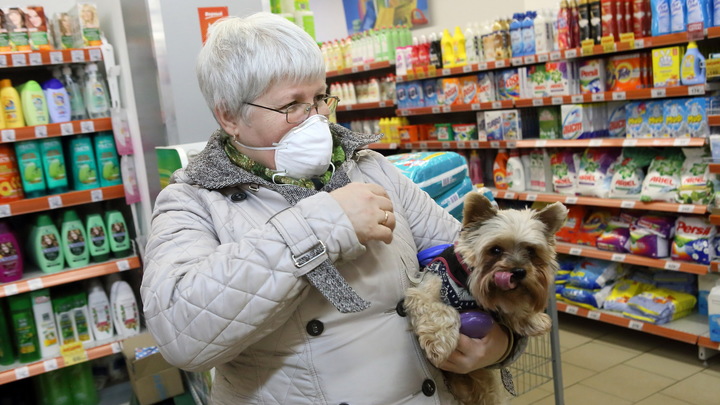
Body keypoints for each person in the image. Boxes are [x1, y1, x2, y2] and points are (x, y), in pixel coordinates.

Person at [141, 12, 525, 405]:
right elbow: (181, 335)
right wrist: (324, 225)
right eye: (292, 105)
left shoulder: (371, 168)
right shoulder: (192, 200)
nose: (317, 120)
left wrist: (501, 342)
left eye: (320, 98)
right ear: (229, 116)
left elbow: (474, 262)